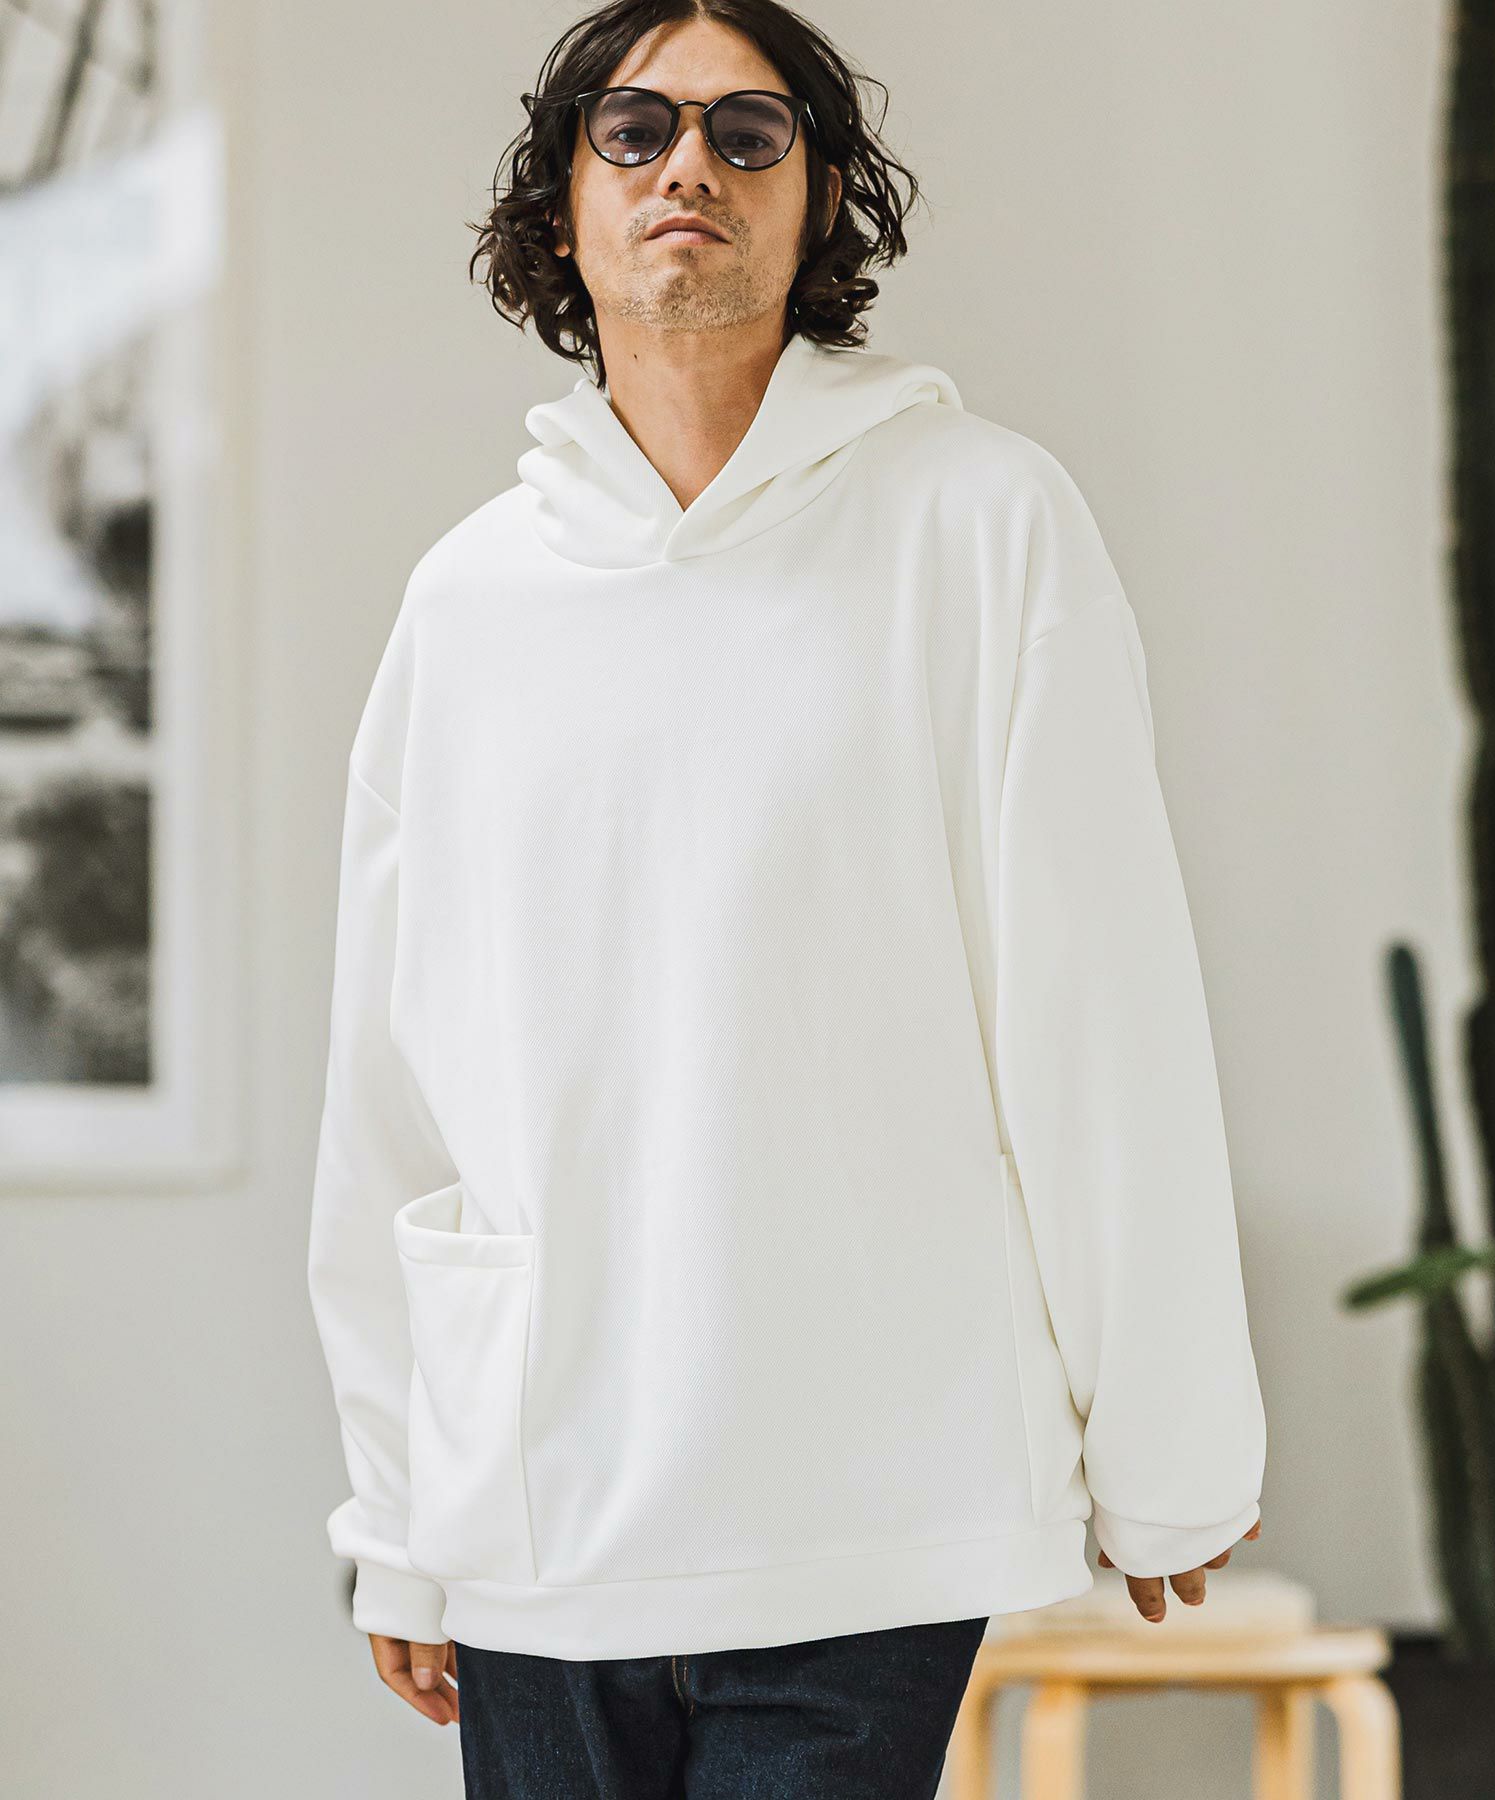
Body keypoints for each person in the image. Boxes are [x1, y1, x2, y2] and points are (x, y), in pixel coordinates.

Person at [305, 1, 1267, 1793]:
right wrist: (398, 1515)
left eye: (748, 133)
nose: (689, 164)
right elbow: (391, 1092)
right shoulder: (469, 600)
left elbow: (1100, 1007)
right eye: (634, 129)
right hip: (537, 1510)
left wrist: (1171, 1446)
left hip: (872, 1503)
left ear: (819, 201)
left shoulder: (981, 524)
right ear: (565, 201)